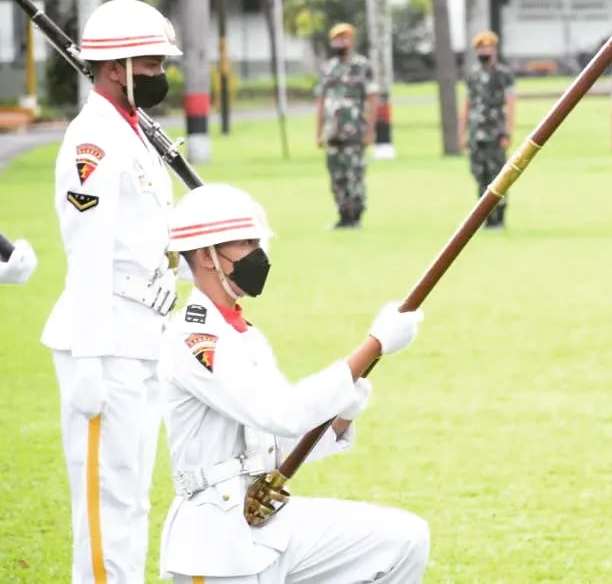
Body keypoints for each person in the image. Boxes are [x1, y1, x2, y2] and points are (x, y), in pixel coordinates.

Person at [158, 183, 430, 583]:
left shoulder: (244, 334)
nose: (258, 255)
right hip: (216, 547)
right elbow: (280, 413)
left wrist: (339, 418)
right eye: (246, 243)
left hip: (268, 526)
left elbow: (280, 443)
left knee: (404, 540)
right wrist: (373, 346)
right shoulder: (195, 337)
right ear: (205, 255)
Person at [41, 0, 183, 583]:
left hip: (143, 336)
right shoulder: (91, 143)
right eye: (149, 64)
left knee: (132, 499)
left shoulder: (134, 134)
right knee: (106, 509)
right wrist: (92, 359)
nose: (158, 74)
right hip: (105, 343)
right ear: (114, 66)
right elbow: (91, 252)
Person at [315, 22, 377, 229]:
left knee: (354, 175)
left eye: (344, 38)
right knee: (336, 177)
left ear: (351, 40)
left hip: (354, 132)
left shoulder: (363, 66)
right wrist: (319, 132)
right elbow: (322, 102)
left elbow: (372, 99)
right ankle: (342, 216)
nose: (340, 42)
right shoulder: (329, 68)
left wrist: (370, 131)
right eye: (337, 39)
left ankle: (355, 217)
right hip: (333, 132)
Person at [460, 30, 516, 229]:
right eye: (481, 47)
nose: (485, 51)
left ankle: (499, 216)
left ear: (495, 49)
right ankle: (484, 217)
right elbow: (467, 104)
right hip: (477, 133)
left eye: (488, 47)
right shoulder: (473, 76)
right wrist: (463, 132)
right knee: (479, 173)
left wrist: (508, 132)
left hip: (495, 132)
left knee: (498, 175)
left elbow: (510, 104)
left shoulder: (503, 75)